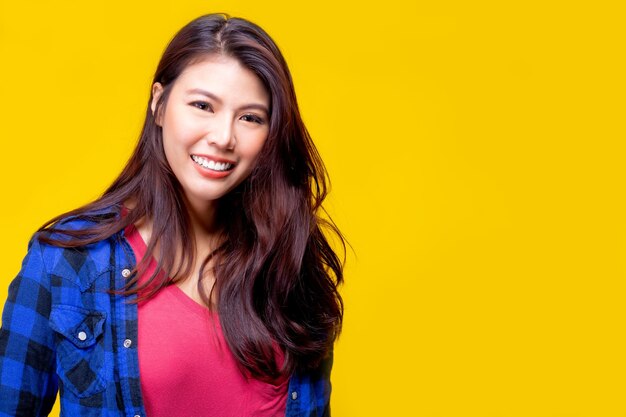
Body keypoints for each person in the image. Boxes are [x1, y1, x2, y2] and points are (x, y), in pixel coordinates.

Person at [0, 13, 344, 417]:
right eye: (202, 105)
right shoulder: (65, 262)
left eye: (251, 117)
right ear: (159, 104)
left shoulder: (288, 262)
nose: (223, 137)